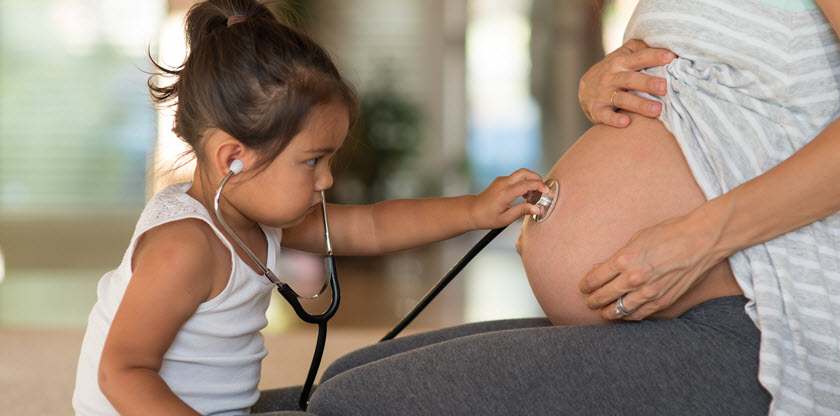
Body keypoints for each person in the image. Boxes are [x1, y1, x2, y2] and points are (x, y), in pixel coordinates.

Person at [304, 0, 840, 415]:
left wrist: (700, 238)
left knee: (354, 402)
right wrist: (602, 80)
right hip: (663, 312)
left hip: (765, 325)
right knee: (345, 377)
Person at [70, 1, 549, 415]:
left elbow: (372, 227)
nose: (328, 178)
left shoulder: (250, 218)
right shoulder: (185, 248)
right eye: (312, 161)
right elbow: (122, 372)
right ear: (232, 158)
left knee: (352, 392)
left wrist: (475, 211)